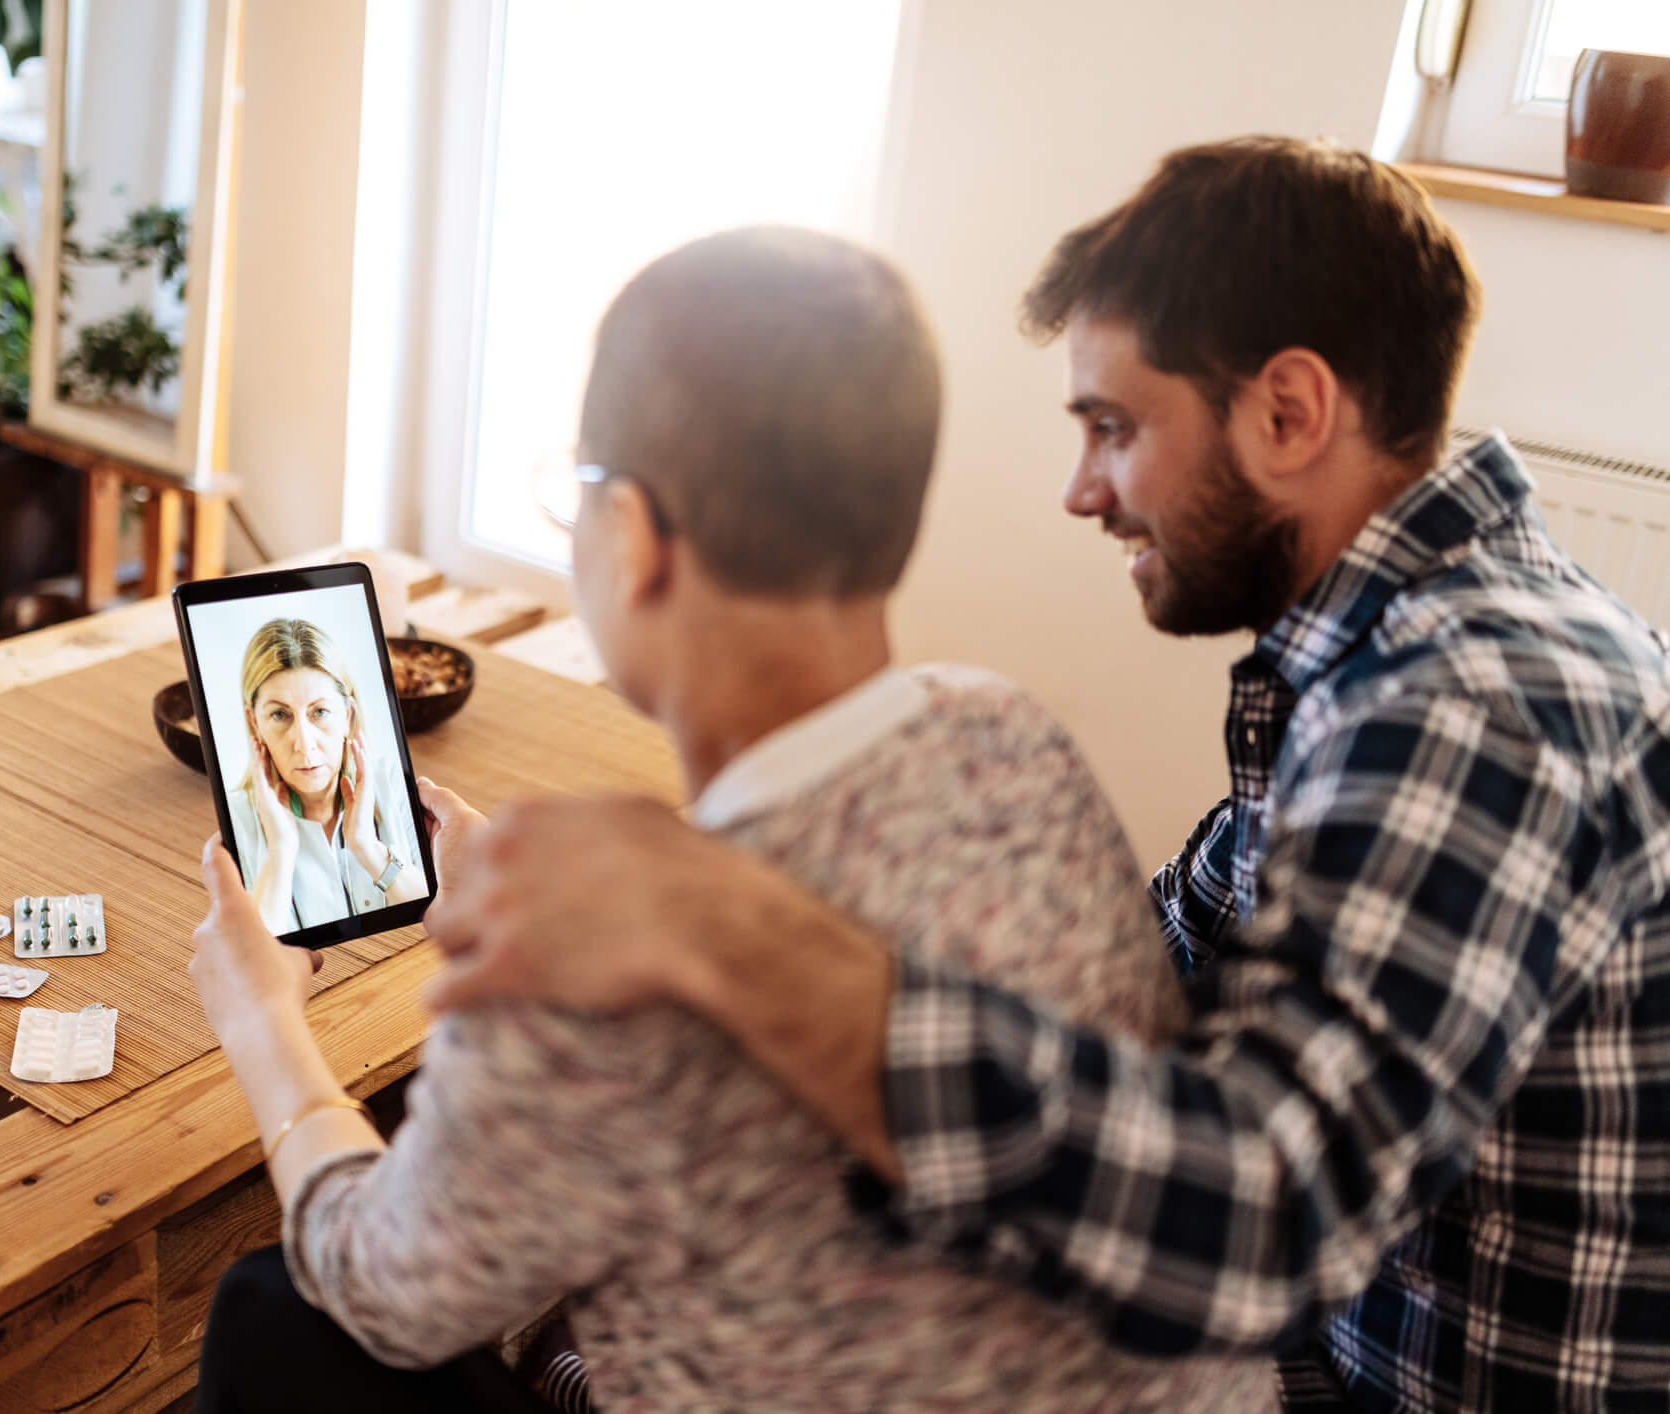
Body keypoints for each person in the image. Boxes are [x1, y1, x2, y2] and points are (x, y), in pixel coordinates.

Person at [420, 137, 1670, 1411]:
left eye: (1115, 429)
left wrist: (723, 922)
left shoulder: (1473, 709)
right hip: (1349, 1342)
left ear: (1288, 413)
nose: (1083, 492)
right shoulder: (1384, 656)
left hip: (1382, 1384)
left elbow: (1251, 1231)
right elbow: (1149, 970)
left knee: (567, 1359)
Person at [186, 226, 1276, 1411]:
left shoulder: (597, 988)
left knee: (278, 1310)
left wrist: (262, 1023)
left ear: (637, 536)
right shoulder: (1009, 730)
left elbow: (375, 1281)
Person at [224, 616, 425, 935]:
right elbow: (257, 954)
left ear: (347, 715)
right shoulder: (237, 818)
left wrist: (368, 849)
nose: (304, 745)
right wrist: (280, 850)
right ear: (254, 724)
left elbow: (440, 918)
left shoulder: (392, 782)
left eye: (319, 712)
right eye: (279, 714)